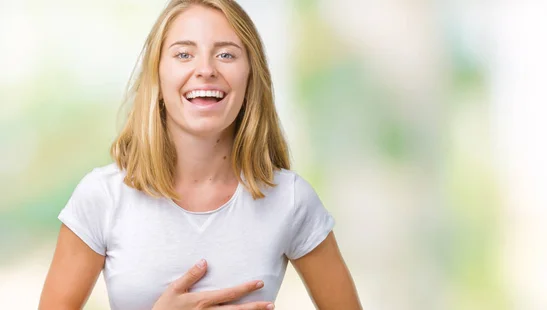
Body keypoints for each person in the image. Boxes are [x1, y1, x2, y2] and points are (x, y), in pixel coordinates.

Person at [39, 0, 362, 309]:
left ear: (251, 77)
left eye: (226, 54)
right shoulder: (102, 197)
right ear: (157, 74)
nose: (205, 69)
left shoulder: (291, 200)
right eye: (183, 54)